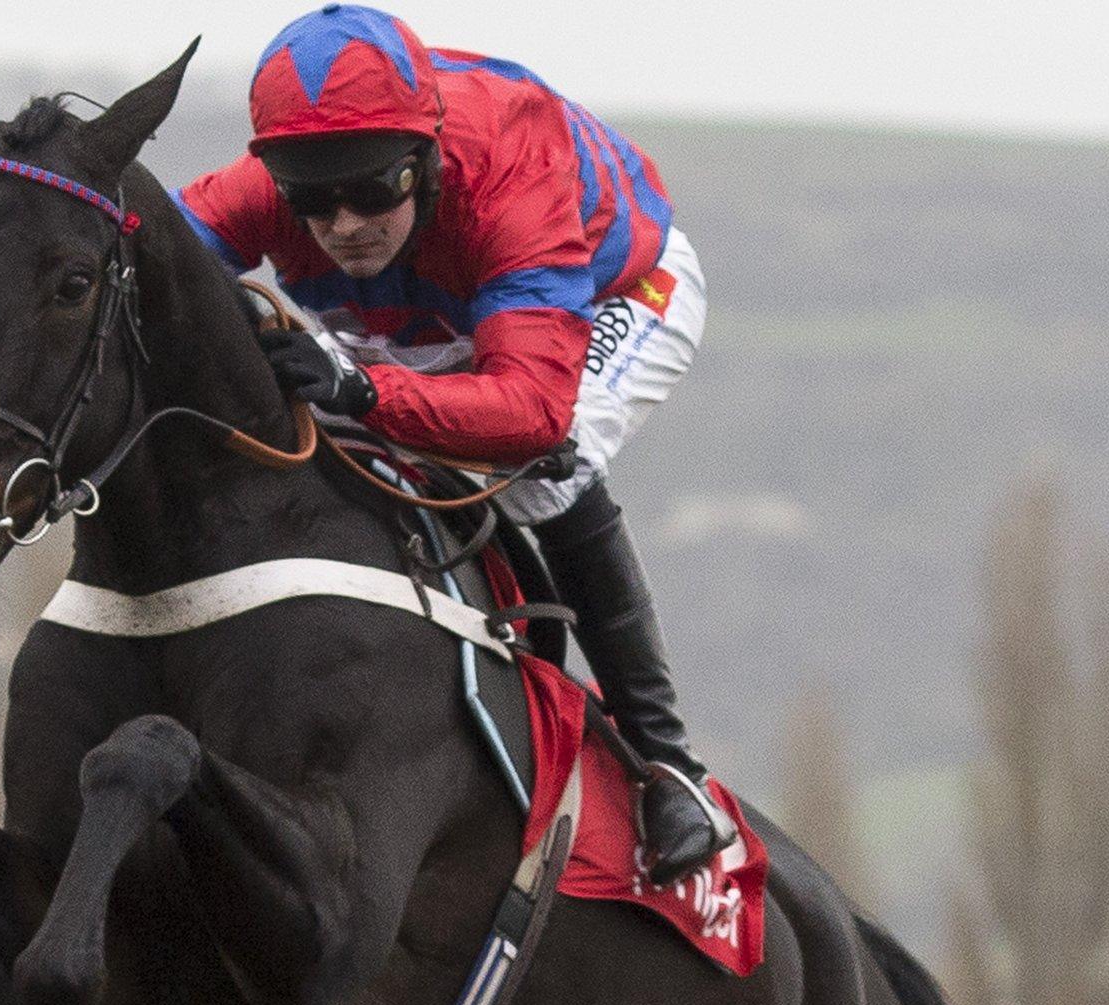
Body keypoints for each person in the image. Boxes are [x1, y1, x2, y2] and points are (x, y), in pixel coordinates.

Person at [174, 3, 732, 884]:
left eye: (372, 188)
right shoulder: (267, 190)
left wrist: (366, 388)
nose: (345, 222)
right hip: (435, 310)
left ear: (427, 159)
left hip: (617, 288)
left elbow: (531, 408)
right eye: (312, 198)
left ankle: (670, 768)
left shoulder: (514, 171)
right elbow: (135, 249)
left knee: (544, 469)